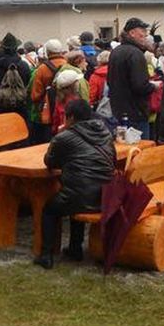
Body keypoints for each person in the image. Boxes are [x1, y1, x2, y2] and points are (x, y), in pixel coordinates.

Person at [33, 99, 116, 269]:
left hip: (79, 197)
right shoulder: (105, 132)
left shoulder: (65, 137)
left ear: (70, 117)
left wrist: (59, 139)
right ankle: (75, 248)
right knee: (74, 194)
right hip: (104, 196)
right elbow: (113, 160)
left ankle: (46, 254)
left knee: (50, 208)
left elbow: (50, 161)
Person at [106, 18, 159, 136]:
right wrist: (153, 86)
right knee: (140, 149)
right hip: (136, 112)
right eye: (142, 30)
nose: (145, 34)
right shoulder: (135, 54)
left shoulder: (116, 51)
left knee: (124, 148)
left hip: (118, 110)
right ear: (132, 33)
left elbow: (110, 80)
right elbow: (140, 86)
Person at [29, 39, 67, 143]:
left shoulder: (42, 69)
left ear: (47, 52)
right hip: (65, 111)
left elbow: (35, 95)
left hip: (48, 111)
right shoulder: (68, 65)